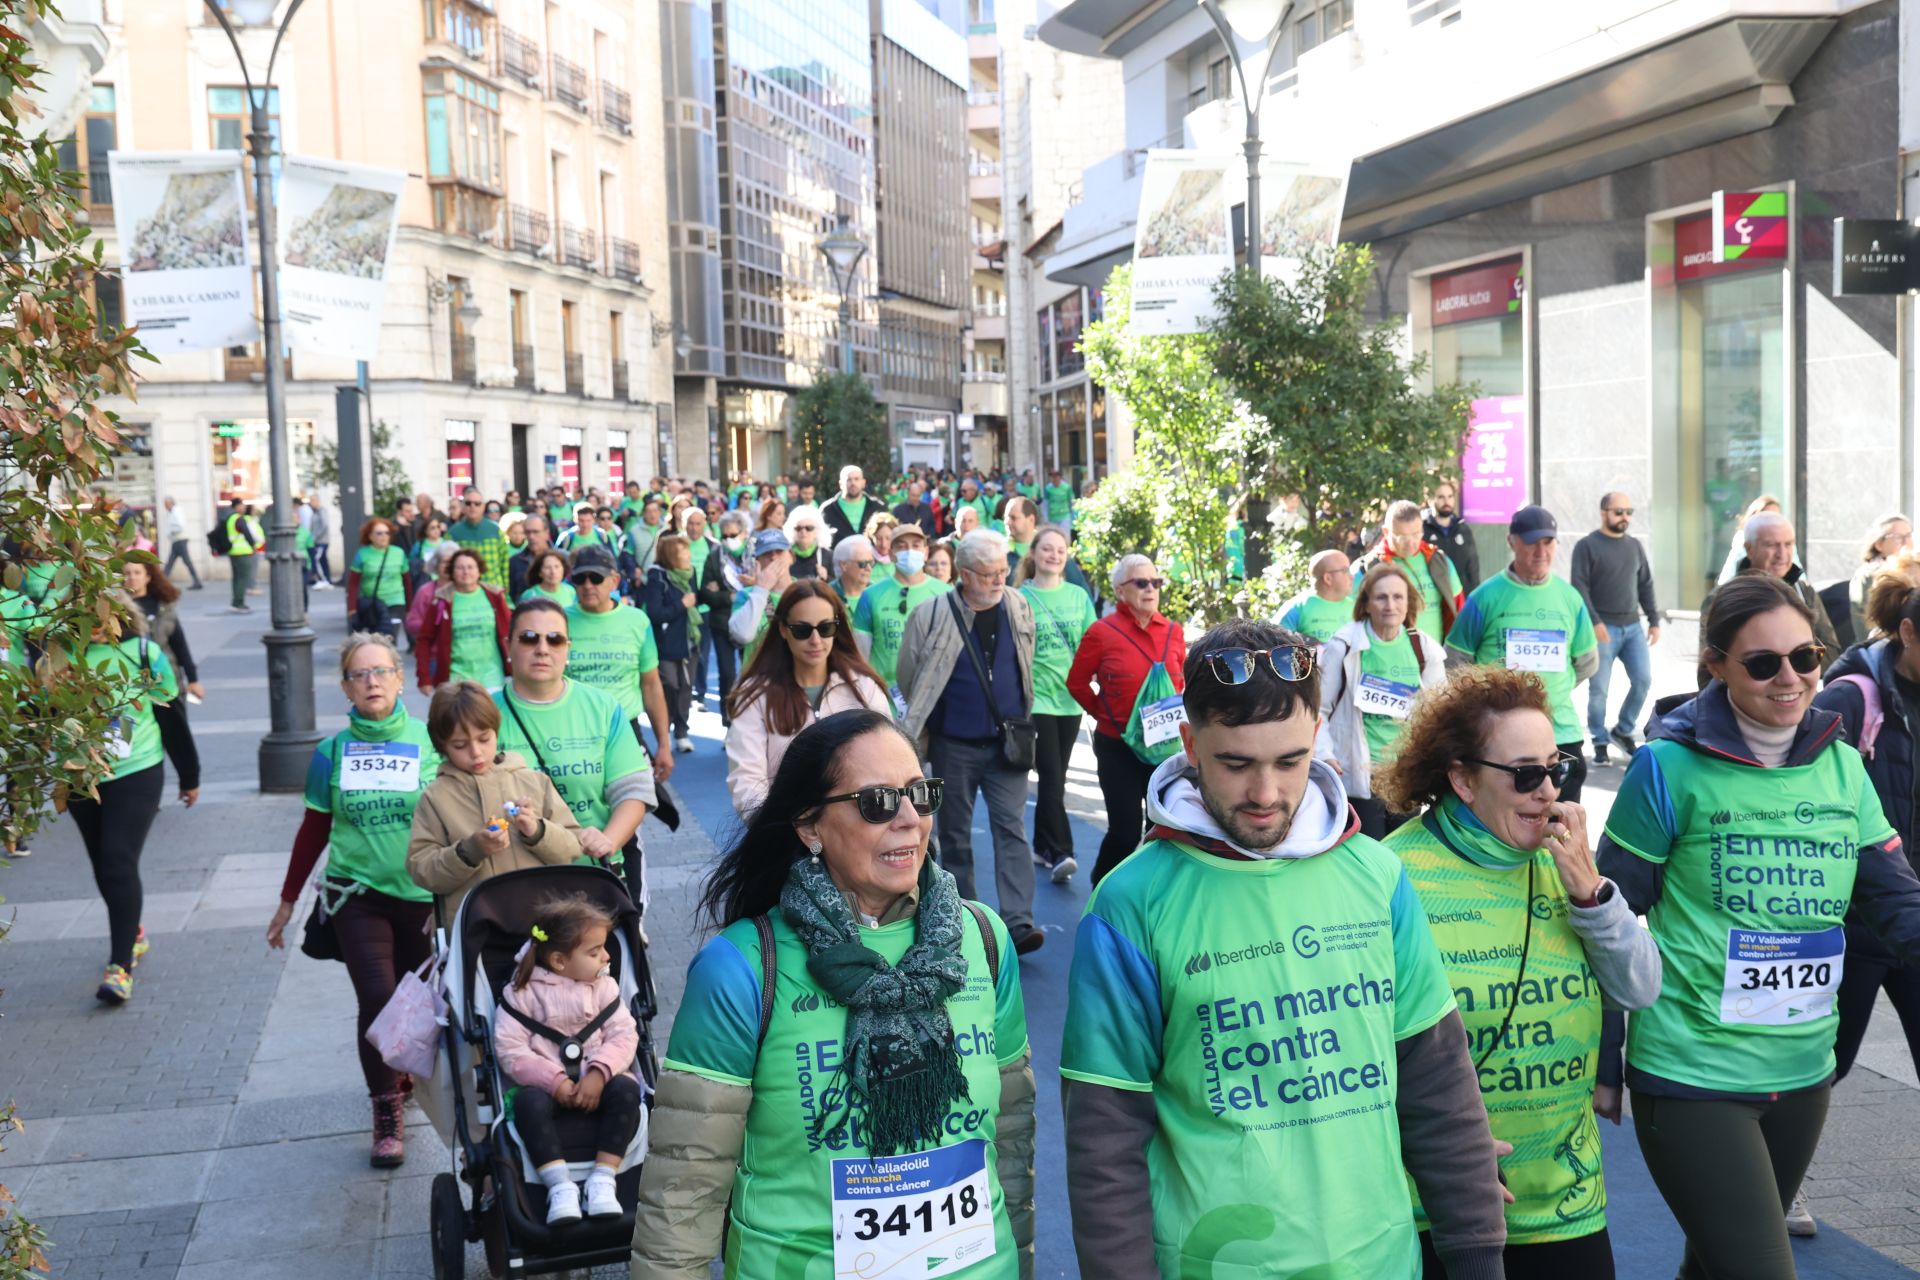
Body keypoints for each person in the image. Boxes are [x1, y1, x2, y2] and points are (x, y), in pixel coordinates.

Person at [1061, 617, 1509, 1280]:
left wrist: (1477, 1253)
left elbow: (1437, 1080)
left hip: (1380, 1262)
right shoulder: (1129, 904)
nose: (1266, 794)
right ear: (1190, 745)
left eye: (1290, 761)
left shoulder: (1378, 876)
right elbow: (1105, 1138)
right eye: (1236, 764)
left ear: (1316, 737)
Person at [631, 709, 1035, 1278]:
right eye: (876, 802)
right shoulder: (740, 967)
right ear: (810, 827)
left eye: (920, 794)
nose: (909, 819)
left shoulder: (984, 940)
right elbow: (684, 1185)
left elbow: (1011, 1142)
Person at [1597, 574, 1920, 1277]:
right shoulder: (1665, 768)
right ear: (1716, 664)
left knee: (1715, 1265)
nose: (1790, 678)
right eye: (1763, 663)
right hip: (1692, 1074)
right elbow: (1607, 918)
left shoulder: (1843, 768)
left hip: (1804, 1073)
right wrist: (1603, 1052)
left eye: (1804, 658)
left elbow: (1898, 903)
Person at [1376, 665, 1662, 1276]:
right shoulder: (1388, 876)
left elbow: (1640, 988)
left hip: (1567, 1202)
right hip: (1435, 1205)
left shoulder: (1567, 865)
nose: (1548, 792)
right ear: (1463, 779)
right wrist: (1438, 1145)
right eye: (1526, 775)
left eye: (1556, 769)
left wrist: (1592, 895)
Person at [267, 633, 439, 1168]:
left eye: (381, 671)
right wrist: (287, 902)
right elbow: (313, 829)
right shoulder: (330, 754)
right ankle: (385, 1112)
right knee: (378, 999)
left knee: (414, 1002)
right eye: (359, 675)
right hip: (355, 896)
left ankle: (403, 1074)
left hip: (422, 895)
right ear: (345, 687)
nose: (371, 682)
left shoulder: (430, 741)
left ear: (400, 678)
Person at [897, 529, 1044, 954]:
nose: (999, 579)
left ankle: (1019, 922)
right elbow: (909, 675)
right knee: (955, 836)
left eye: (1003, 570)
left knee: (1012, 830)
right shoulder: (930, 614)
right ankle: (969, 920)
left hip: (1007, 743)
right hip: (953, 745)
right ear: (964, 574)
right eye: (988, 573)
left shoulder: (1017, 605)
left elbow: (1025, 662)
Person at [1815, 570, 1920, 1135]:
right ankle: (1773, 1165)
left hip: (1914, 917)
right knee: (1823, 1066)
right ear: (1907, 632)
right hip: (1855, 924)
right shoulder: (1850, 697)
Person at [497, 891, 643, 1224]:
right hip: (545, 1087)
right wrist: (555, 1081)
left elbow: (624, 1035)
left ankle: (603, 1178)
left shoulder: (605, 989)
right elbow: (510, 1049)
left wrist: (599, 1073)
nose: (607, 956)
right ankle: (559, 1186)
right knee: (527, 1104)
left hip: (600, 1082)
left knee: (627, 1091)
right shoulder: (521, 993)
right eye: (595, 952)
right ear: (560, 961)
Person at [1448, 505, 1600, 801]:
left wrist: (1552, 690)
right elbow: (1456, 662)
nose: (1541, 552)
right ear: (1512, 542)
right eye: (1531, 543)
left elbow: (1587, 662)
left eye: (1548, 542)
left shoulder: (1570, 598)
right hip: (1501, 738)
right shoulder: (1485, 597)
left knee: (1562, 821)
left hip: (1561, 734)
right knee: (1510, 822)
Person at [73, 601, 181, 1004]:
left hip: (137, 768)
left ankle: (120, 968)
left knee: (118, 860)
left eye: (101, 614)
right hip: (81, 775)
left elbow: (170, 712)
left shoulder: (142, 652)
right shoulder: (61, 656)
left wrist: (190, 774)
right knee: (103, 865)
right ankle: (132, 931)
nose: (95, 623)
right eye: (85, 615)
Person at [407, 681, 584, 919]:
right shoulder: (435, 798)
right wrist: (470, 850)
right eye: (460, 745)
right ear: (443, 747)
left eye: (484, 739)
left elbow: (572, 848)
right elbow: (423, 871)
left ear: (496, 731)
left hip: (541, 921)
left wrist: (537, 831)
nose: (476, 752)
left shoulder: (534, 781)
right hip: (476, 926)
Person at [1067, 554, 1187, 884]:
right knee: (1124, 830)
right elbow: (1077, 683)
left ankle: (1147, 893)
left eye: (1156, 582)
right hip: (1117, 745)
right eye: (1141, 582)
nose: (1151, 589)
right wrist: (1104, 714)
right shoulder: (1101, 632)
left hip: (1164, 748)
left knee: (1160, 830)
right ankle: (1102, 888)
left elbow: (1183, 685)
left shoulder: (1174, 632)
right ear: (1120, 591)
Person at [725, 580, 890, 817]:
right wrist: (775, 829)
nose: (815, 640)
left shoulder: (863, 688)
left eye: (825, 628)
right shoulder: (755, 695)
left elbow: (888, 758)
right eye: (802, 630)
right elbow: (746, 779)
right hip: (785, 829)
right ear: (783, 630)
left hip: (861, 825)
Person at [1317, 562, 1448, 838]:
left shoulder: (1424, 648)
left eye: (1398, 597)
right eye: (1381, 597)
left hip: (1404, 775)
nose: (1390, 605)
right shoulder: (1344, 646)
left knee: (1400, 852)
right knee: (1370, 852)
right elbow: (1319, 709)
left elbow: (1440, 712)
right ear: (1366, 604)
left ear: (1408, 603)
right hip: (1359, 775)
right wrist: (1325, 754)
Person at [1017, 527, 1095, 884]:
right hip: (1037, 700)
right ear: (1034, 553)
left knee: (1056, 777)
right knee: (1050, 775)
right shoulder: (1019, 597)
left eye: (1060, 550)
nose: (1054, 555)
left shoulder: (1078, 596)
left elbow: (1093, 644)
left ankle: (1041, 845)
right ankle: (1063, 850)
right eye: (1047, 549)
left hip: (1071, 700)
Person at [566, 544, 675, 785]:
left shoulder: (637, 621)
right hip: (573, 735)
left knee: (638, 804)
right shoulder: (560, 621)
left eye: (596, 578)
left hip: (625, 730)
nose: (587, 585)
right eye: (580, 578)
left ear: (614, 581)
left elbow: (651, 685)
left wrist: (664, 745)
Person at [1570, 493, 1662, 764]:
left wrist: (1654, 620)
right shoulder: (1586, 546)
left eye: (1629, 512)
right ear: (1604, 512)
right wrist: (1594, 622)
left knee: (1643, 680)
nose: (1625, 517)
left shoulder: (1634, 546)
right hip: (1602, 628)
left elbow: (1645, 584)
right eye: (1619, 511)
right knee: (1599, 689)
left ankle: (1623, 730)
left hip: (1632, 626)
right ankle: (1599, 740)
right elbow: (1579, 587)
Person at [122, 562, 203, 806]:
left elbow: (179, 644)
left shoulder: (163, 607)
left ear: (148, 576)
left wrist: (193, 679)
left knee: (171, 735)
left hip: (166, 684)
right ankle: (145, 790)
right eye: (126, 573)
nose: (132, 578)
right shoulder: (117, 608)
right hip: (132, 686)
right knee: (139, 738)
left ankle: (154, 787)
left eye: (137, 573)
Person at [1715, 512, 1841, 669]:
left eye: (1788, 544)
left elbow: (1832, 654)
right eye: (1771, 545)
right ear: (1749, 549)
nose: (1781, 554)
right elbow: (1711, 668)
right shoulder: (1725, 598)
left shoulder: (1804, 592)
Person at [851, 521, 949, 696]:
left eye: (916, 545)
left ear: (926, 552)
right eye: (901, 547)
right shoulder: (870, 596)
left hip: (934, 695)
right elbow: (860, 655)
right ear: (891, 554)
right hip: (884, 697)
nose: (909, 551)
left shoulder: (947, 594)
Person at [1352, 499, 1465, 643]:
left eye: (1416, 534)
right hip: (1385, 653)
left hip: (1435, 654)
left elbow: (1459, 609)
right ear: (1386, 532)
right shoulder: (1367, 568)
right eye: (1403, 537)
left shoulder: (1439, 561)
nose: (1411, 543)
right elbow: (1350, 616)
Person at [415, 548, 510, 695]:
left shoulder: (495, 596)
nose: (466, 572)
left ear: (479, 570)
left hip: (493, 679)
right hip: (456, 681)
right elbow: (424, 640)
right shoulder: (442, 600)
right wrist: (424, 678)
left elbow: (511, 633)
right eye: (460, 568)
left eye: (470, 567)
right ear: (452, 572)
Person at [642, 533, 699, 754]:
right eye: (682, 552)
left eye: (687, 551)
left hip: (689, 639)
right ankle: (664, 729)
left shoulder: (690, 573)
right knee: (670, 685)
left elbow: (697, 599)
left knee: (686, 687)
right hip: (666, 643)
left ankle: (682, 733)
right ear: (670, 555)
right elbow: (655, 614)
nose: (688, 555)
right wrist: (682, 605)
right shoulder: (657, 577)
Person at [699, 511, 750, 725]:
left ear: (744, 533)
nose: (729, 539)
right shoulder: (714, 556)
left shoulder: (755, 554)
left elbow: (763, 585)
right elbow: (705, 592)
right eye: (725, 536)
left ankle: (749, 718)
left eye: (733, 535)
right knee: (727, 673)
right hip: (722, 622)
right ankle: (728, 719)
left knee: (750, 673)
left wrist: (749, 588)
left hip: (751, 621)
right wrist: (728, 596)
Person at [729, 528, 793, 657]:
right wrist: (761, 589)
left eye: (779, 551)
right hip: (759, 668)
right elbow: (742, 635)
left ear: (791, 557)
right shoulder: (746, 595)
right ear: (757, 562)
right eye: (766, 554)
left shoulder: (802, 590)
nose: (773, 557)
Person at [1850, 512, 1912, 645]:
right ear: (1879, 544)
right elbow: (1866, 626)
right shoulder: (1867, 576)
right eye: (1898, 537)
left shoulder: (1915, 569)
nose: (1906, 542)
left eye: (1908, 536)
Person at [347, 517, 411, 643]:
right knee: (376, 639)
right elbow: (353, 583)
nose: (384, 536)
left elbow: (407, 582)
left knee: (390, 637)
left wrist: (409, 607)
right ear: (370, 536)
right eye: (379, 533)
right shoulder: (362, 554)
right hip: (373, 603)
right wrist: (352, 608)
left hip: (395, 601)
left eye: (387, 533)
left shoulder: (399, 553)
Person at [1277, 549, 1356, 643]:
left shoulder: (1357, 608)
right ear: (1328, 578)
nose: (1352, 577)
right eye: (1345, 570)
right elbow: (1273, 645)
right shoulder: (1296, 608)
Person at [446, 486, 512, 591]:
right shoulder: (453, 533)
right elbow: (447, 565)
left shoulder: (496, 530)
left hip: (494, 590)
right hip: (464, 591)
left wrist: (506, 592)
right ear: (463, 507)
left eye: (477, 504)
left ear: (483, 507)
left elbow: (504, 563)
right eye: (468, 503)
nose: (472, 507)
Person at [1422, 478, 1480, 594]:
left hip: (1461, 596)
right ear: (1431, 499)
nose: (1446, 501)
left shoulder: (1463, 529)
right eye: (1441, 497)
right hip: (1434, 595)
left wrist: (1474, 596)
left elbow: (1473, 567)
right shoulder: (1422, 529)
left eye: (1450, 496)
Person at [223, 498, 265, 613]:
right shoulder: (239, 519)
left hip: (233, 551)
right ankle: (239, 603)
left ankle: (236, 601)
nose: (244, 507)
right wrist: (253, 545)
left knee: (236, 578)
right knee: (242, 579)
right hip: (242, 552)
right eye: (242, 505)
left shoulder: (230, 518)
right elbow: (247, 533)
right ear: (237, 506)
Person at [821, 463, 875, 546]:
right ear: (840, 484)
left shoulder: (876, 507)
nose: (853, 483)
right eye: (848, 480)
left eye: (856, 479)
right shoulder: (827, 510)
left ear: (863, 482)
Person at [160, 495, 202, 590]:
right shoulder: (171, 512)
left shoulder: (176, 511)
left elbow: (180, 526)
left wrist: (170, 531)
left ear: (170, 503)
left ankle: (197, 581)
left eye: (166, 504)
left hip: (180, 540)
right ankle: (162, 582)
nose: (165, 506)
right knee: (170, 563)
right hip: (176, 541)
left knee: (184, 562)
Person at [508, 515, 553, 600]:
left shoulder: (563, 558)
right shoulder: (515, 561)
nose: (531, 537)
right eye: (527, 532)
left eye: (536, 532)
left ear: (546, 533)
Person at [829, 533, 876, 610]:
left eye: (871, 563)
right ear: (844, 565)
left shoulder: (879, 593)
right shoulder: (827, 595)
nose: (869, 568)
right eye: (862, 563)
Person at [784, 503, 830, 580]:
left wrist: (826, 578)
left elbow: (837, 582)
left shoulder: (827, 555)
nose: (803, 531)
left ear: (818, 531)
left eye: (809, 528)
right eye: (798, 528)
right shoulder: (785, 555)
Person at [1001, 495, 1040, 568]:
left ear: (1031, 520)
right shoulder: (1000, 549)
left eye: (1013, 518)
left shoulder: (1045, 546)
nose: (1007, 522)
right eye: (1006, 518)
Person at [306, 492, 335, 588]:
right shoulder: (315, 512)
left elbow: (324, 525)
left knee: (317, 559)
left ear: (318, 501)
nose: (311, 503)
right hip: (317, 541)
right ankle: (325, 579)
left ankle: (324, 579)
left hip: (322, 541)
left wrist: (315, 536)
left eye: (313, 500)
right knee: (322, 560)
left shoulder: (322, 511)